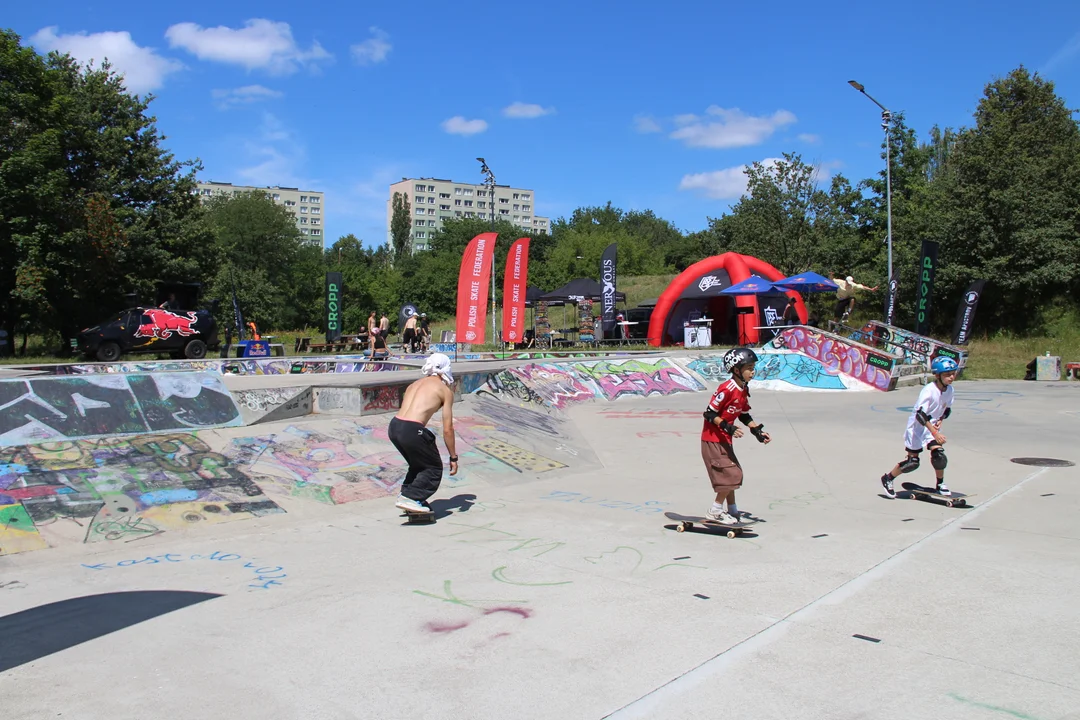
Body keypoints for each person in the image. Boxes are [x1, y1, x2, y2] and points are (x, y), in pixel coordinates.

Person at [700, 347, 772, 524]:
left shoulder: (742, 389)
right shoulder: (727, 389)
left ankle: (732, 510)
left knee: (729, 476)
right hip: (712, 440)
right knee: (733, 475)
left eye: (753, 367)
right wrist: (728, 427)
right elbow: (709, 413)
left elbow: (743, 414)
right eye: (749, 367)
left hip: (724, 440)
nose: (752, 371)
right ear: (736, 369)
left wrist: (758, 432)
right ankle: (715, 511)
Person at [879, 356, 959, 499]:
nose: (951, 377)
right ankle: (888, 478)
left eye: (953, 374)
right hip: (917, 428)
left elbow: (946, 409)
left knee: (939, 456)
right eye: (947, 375)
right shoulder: (929, 390)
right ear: (937, 375)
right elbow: (920, 415)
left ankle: (940, 484)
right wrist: (935, 432)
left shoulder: (950, 390)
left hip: (931, 427)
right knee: (912, 463)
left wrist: (941, 419)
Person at [389, 353, 459, 513]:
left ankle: (406, 494)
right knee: (433, 468)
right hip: (412, 429)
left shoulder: (414, 384)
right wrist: (453, 457)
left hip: (394, 426)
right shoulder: (444, 391)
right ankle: (411, 498)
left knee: (418, 465)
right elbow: (448, 429)